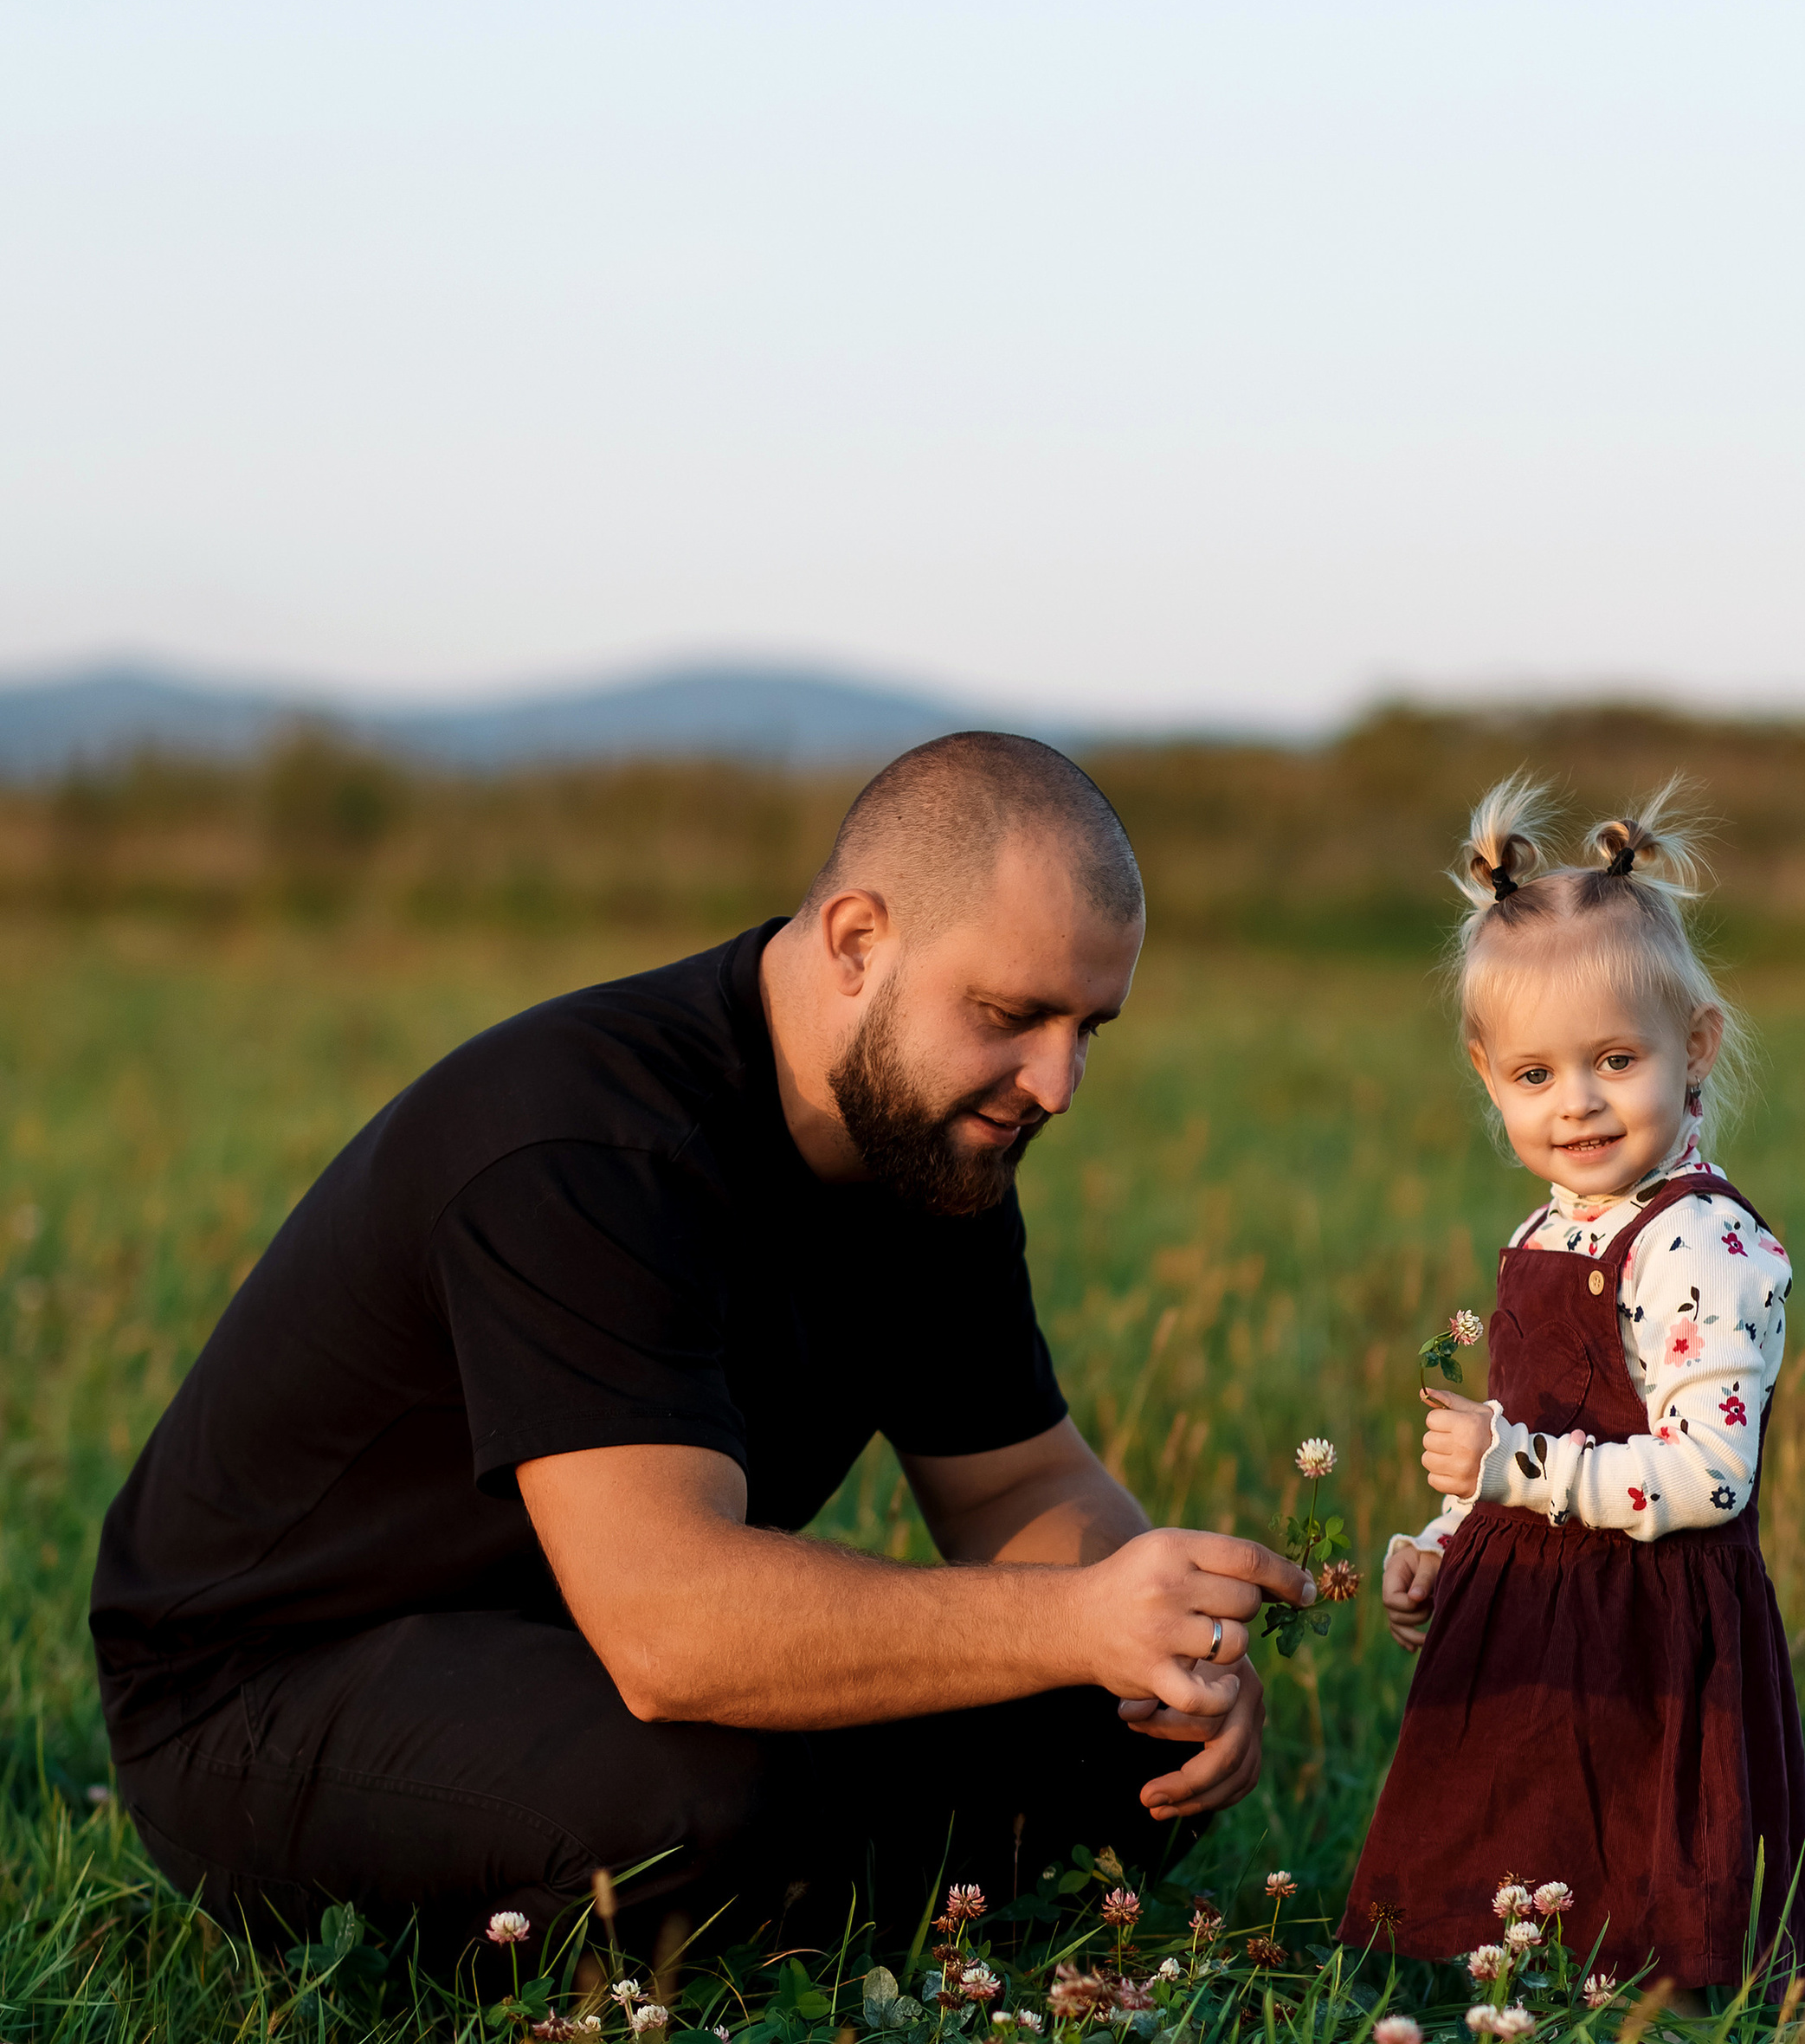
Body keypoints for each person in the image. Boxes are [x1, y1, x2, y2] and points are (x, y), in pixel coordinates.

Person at [90, 732, 1312, 1967]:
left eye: (1089, 1025)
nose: (1056, 1083)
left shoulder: (933, 1147)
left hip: (573, 1652)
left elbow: (1018, 1483)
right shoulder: (588, 1144)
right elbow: (672, 1627)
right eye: (1011, 1016)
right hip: (267, 1693)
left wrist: (1162, 1652)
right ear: (856, 942)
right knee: (701, 1807)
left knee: (1119, 1734)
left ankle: (797, 1910)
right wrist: (1069, 1625)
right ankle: (780, 1915)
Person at [1340, 774, 1805, 1995]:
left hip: (1651, 1628)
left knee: (1637, 1873)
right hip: (1537, 1603)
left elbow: (1709, 1477)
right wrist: (1450, 1537)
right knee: (1505, 1823)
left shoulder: (1699, 1243)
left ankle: (1662, 2037)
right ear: (1486, 1074)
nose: (1579, 1103)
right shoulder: (1548, 1231)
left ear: (1692, 1046)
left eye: (1615, 1059)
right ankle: (1476, 2012)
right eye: (1536, 1076)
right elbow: (1534, 1425)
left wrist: (1511, 1469)